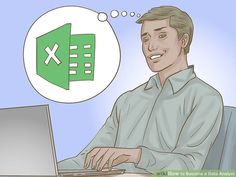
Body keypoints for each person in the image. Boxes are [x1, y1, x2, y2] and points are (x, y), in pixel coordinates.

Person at [58, 6, 223, 174]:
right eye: (145, 39)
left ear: (183, 40)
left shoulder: (205, 98)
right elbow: (90, 158)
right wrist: (47, 167)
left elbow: (188, 166)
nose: (151, 46)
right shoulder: (127, 100)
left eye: (162, 35)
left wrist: (135, 156)